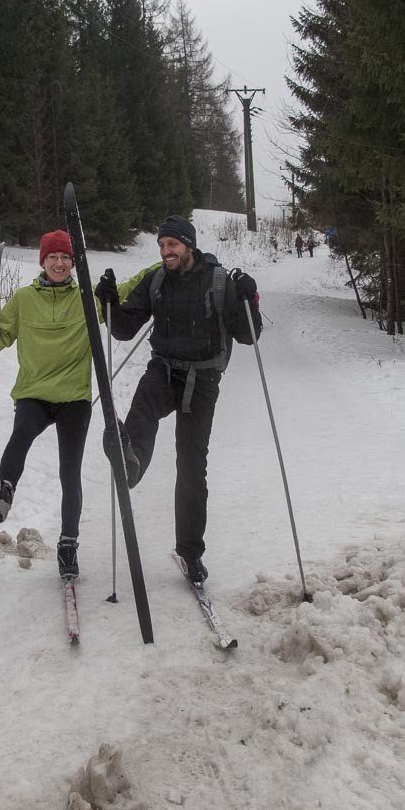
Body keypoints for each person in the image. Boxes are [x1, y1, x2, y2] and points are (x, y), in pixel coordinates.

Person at [94, 215, 262, 585]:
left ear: (189, 245)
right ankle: (130, 460)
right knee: (143, 405)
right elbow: (124, 329)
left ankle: (190, 552)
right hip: (165, 369)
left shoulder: (218, 281)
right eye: (161, 245)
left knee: (191, 466)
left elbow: (249, 335)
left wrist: (249, 297)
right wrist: (110, 304)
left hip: (203, 379)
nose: (166, 251)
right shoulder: (156, 280)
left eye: (172, 245)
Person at [0, 230, 93, 579]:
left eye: (65, 257)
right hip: (34, 392)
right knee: (21, 431)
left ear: (72, 262)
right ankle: (4, 488)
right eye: (53, 257)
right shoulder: (24, 299)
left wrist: (116, 291)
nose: (59, 263)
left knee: (70, 471)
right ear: (43, 261)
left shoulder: (86, 298)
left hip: (74, 397)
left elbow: (123, 300)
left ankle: (68, 544)